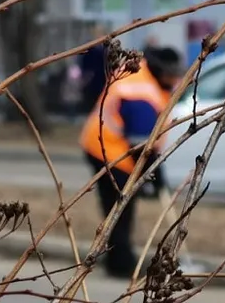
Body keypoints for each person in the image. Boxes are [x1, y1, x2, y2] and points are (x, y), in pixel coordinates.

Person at [78, 46, 183, 278]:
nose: (174, 78)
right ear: (159, 70)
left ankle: (118, 259)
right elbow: (140, 145)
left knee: (118, 207)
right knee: (120, 207)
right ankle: (121, 263)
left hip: (109, 147)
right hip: (109, 150)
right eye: (171, 73)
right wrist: (153, 174)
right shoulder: (139, 93)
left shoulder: (147, 80)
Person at [79, 24, 110, 115]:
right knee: (92, 106)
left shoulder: (107, 49)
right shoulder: (89, 49)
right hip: (91, 82)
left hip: (104, 81)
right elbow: (84, 64)